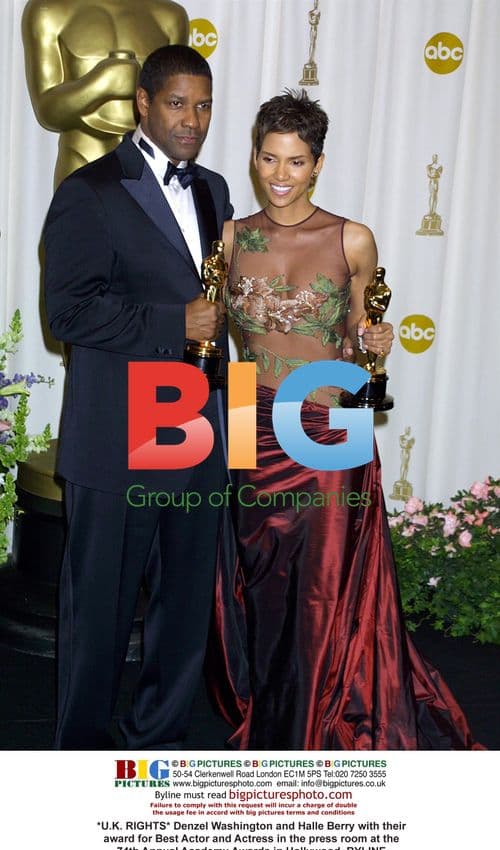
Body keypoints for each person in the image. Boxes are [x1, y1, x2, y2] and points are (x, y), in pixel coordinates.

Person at [208, 90, 483, 751]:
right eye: (269, 158)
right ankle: (273, 709)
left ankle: (316, 719)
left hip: (330, 416)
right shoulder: (232, 237)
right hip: (250, 410)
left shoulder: (350, 238)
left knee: (324, 586)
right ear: (253, 156)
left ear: (318, 164)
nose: (280, 175)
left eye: (296, 162)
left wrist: (375, 341)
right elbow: (210, 330)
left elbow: (363, 333)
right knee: (260, 577)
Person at [43, 44, 232, 750]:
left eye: (203, 105)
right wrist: (172, 322)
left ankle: (157, 744)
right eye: (178, 103)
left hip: (196, 428)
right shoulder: (89, 191)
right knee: (99, 612)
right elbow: (67, 313)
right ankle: (82, 759)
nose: (192, 120)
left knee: (184, 608)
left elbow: (223, 310)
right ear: (143, 104)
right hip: (118, 434)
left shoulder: (214, 190)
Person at [22, 0, 189, 187]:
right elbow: (47, 111)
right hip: (83, 155)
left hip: (149, 160)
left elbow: (178, 106)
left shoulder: (170, 17)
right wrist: (102, 83)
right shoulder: (48, 11)